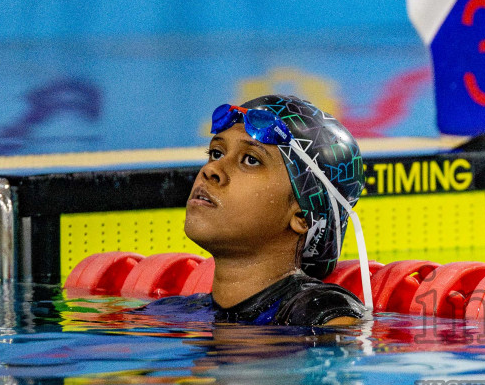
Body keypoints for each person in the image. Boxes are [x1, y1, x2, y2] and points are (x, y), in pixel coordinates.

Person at [144, 95, 369, 326]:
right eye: (216, 153)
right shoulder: (179, 311)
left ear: (302, 216)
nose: (211, 169)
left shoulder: (322, 313)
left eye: (251, 160)